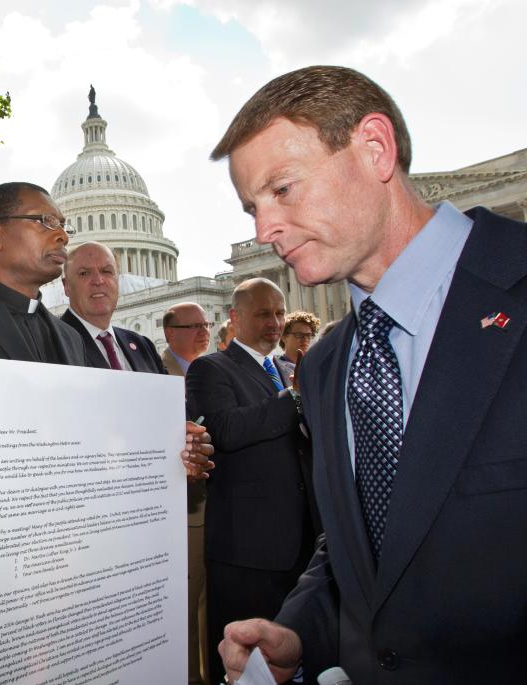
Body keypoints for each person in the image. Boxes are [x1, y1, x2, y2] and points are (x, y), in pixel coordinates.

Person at [211, 65, 527, 683]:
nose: (262, 230)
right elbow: (362, 546)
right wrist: (301, 632)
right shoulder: (328, 366)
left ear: (374, 148)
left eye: (283, 189)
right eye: (252, 207)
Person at [0, 182, 213, 659]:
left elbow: (92, 453)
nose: (61, 234)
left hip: (77, 573)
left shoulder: (68, 338)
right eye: (44, 222)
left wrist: (165, 458)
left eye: (64, 224)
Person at [186, 277, 320, 682]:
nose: (275, 322)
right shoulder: (212, 367)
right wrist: (295, 399)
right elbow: (226, 429)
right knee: (244, 666)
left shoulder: (285, 368)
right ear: (234, 316)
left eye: (280, 313)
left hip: (303, 542)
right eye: (263, 314)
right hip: (247, 550)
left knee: (292, 658)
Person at [162, 301, 212, 685]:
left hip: (216, 504)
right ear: (169, 333)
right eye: (193, 325)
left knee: (208, 608)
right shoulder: (158, 373)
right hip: (179, 511)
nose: (203, 331)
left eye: (205, 323)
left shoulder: (212, 370)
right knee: (185, 607)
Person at [60, 241, 166, 373]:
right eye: (84, 273)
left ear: (118, 280)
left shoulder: (144, 347)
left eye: (107, 271)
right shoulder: (50, 343)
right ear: (66, 286)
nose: (98, 281)